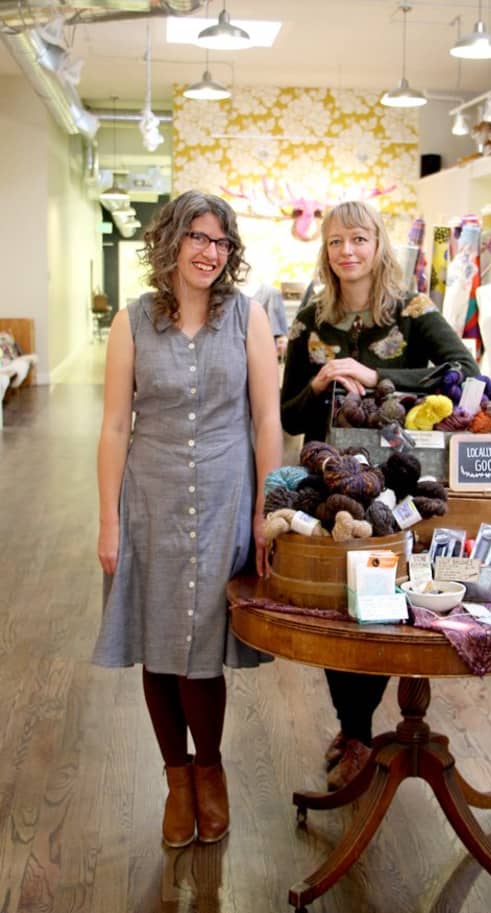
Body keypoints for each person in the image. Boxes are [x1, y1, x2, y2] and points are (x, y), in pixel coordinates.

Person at [92, 190, 283, 848]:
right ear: (171, 242)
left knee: (201, 648)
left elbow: (266, 419)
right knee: (157, 639)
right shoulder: (134, 321)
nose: (209, 252)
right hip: (151, 499)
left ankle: (212, 769)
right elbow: (116, 424)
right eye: (198, 237)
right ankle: (177, 780)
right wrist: (108, 521)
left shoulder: (247, 317)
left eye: (220, 242)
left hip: (227, 497)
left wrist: (269, 508)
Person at [280, 200, 479, 791]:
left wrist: (378, 377)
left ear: (377, 244)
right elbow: (289, 413)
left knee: (382, 606)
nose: (348, 251)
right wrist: (318, 381)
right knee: (333, 607)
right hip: (328, 485)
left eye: (359, 239)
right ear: (326, 249)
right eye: (337, 241)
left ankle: (363, 732)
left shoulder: (412, 310)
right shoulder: (311, 319)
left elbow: (463, 372)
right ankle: (355, 729)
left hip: (395, 485)